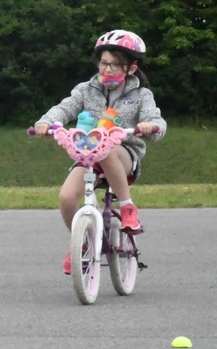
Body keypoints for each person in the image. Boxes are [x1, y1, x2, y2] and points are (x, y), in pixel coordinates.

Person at [32, 29, 166, 275]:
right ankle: (81, 243)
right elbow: (64, 108)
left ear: (131, 68)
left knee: (107, 149)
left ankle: (127, 207)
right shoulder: (86, 89)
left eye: (116, 65)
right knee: (66, 197)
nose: (108, 69)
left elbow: (156, 121)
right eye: (103, 63)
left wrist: (149, 127)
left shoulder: (141, 95)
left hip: (123, 152)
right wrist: (45, 122)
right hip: (88, 152)